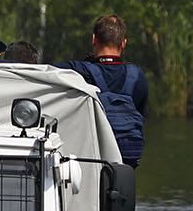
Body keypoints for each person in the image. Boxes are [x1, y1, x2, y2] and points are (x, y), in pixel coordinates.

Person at [57, 14, 148, 166]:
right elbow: (140, 117)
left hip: (91, 159)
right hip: (126, 162)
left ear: (94, 39)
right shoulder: (138, 77)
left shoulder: (78, 71)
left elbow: (41, 72)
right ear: (123, 43)